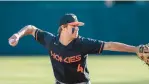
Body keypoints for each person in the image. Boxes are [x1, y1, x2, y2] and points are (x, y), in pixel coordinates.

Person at [8, 13, 146, 84]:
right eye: (73, 26)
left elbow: (109, 45)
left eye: (78, 25)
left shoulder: (82, 44)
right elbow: (31, 29)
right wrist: (17, 35)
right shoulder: (51, 41)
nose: (77, 28)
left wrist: (135, 49)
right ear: (63, 27)